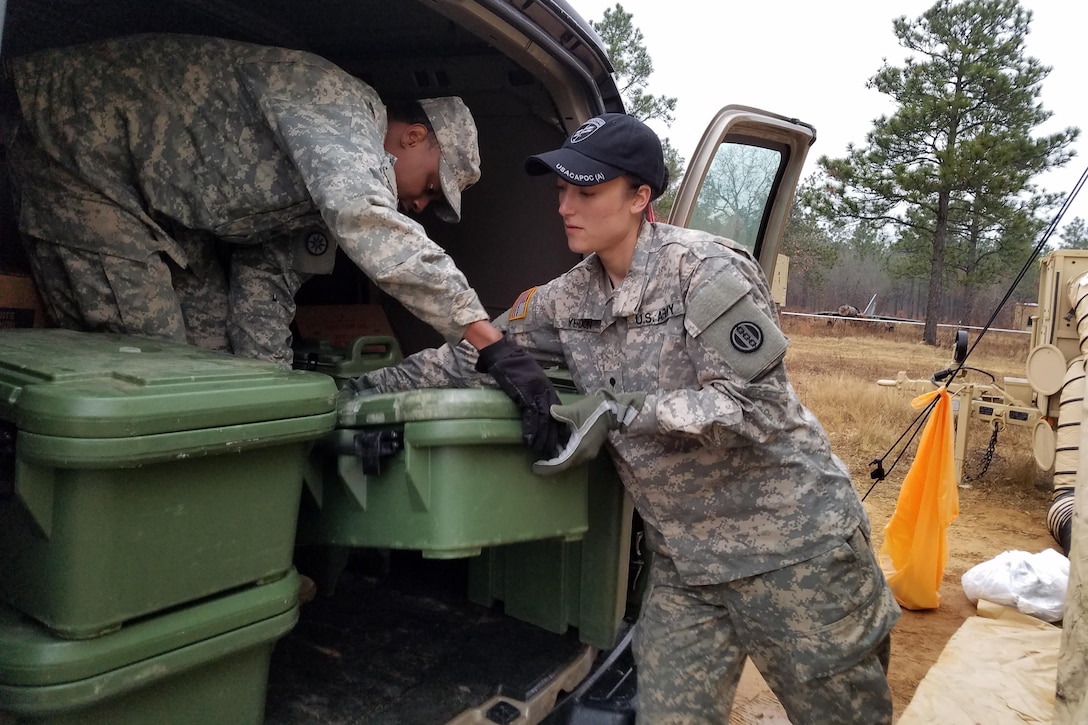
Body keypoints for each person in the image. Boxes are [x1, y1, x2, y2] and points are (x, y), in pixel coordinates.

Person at [345, 113, 901, 723]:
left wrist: (620, 411)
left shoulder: (705, 271)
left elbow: (755, 406)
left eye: (586, 192)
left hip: (794, 552)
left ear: (640, 198)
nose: (565, 208)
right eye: (561, 191)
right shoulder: (564, 298)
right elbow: (475, 355)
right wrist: (349, 391)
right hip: (686, 568)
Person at [1, 33, 562, 455]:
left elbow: (263, 286)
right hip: (81, 151)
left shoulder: (328, 181)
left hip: (165, 211)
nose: (420, 206)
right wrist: (492, 343)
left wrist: (279, 418)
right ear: (414, 136)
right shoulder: (339, 108)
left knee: (217, 361)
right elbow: (364, 217)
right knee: (161, 372)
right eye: (430, 188)